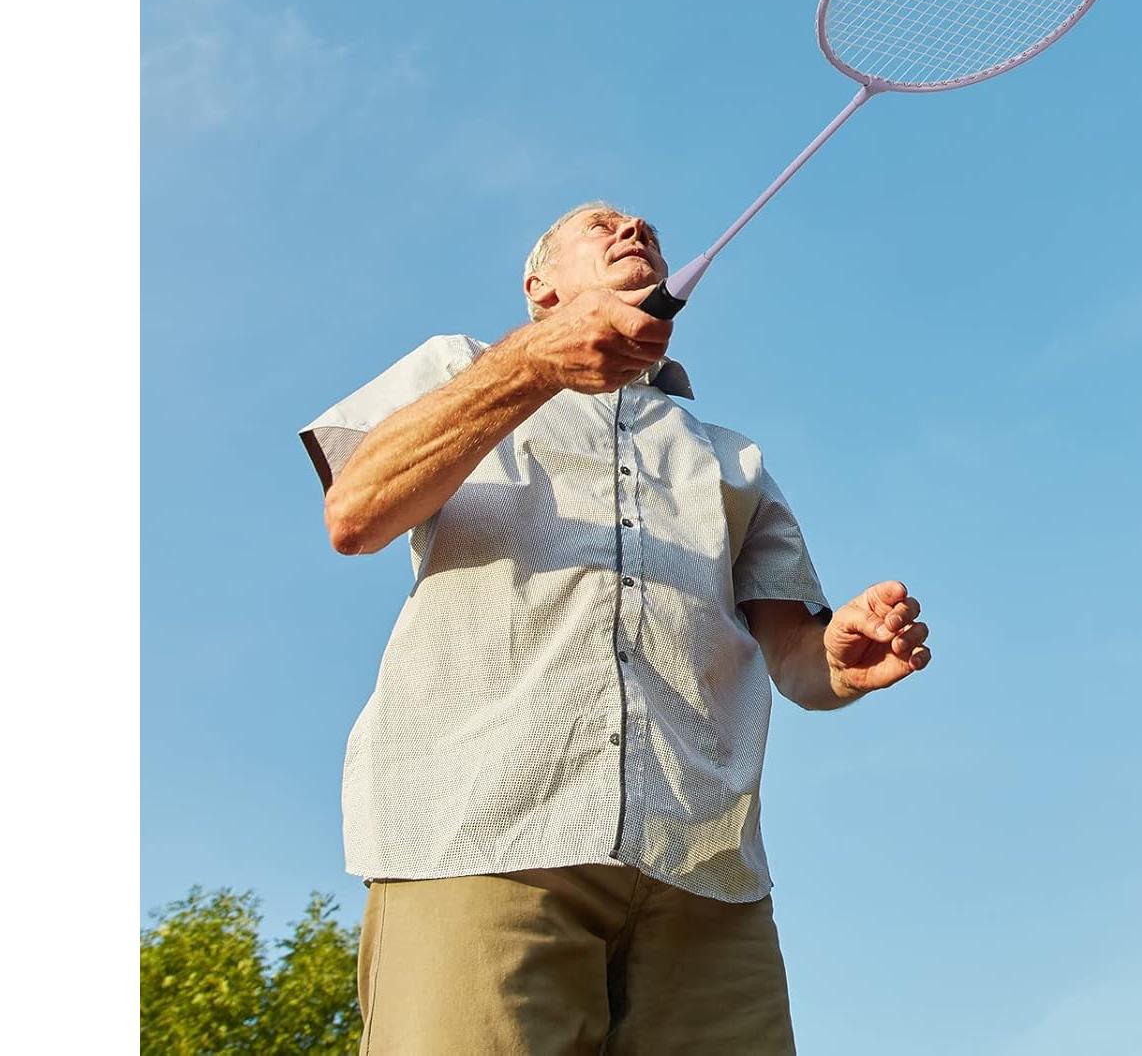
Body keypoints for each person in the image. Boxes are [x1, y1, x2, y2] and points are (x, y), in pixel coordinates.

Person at [299, 202, 933, 1054]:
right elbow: (357, 511)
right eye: (602, 226)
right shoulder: (459, 366)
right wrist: (532, 367)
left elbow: (794, 656)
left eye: (647, 231)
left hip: (707, 881)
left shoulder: (733, 457)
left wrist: (841, 662)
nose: (635, 232)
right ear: (541, 288)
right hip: (482, 838)